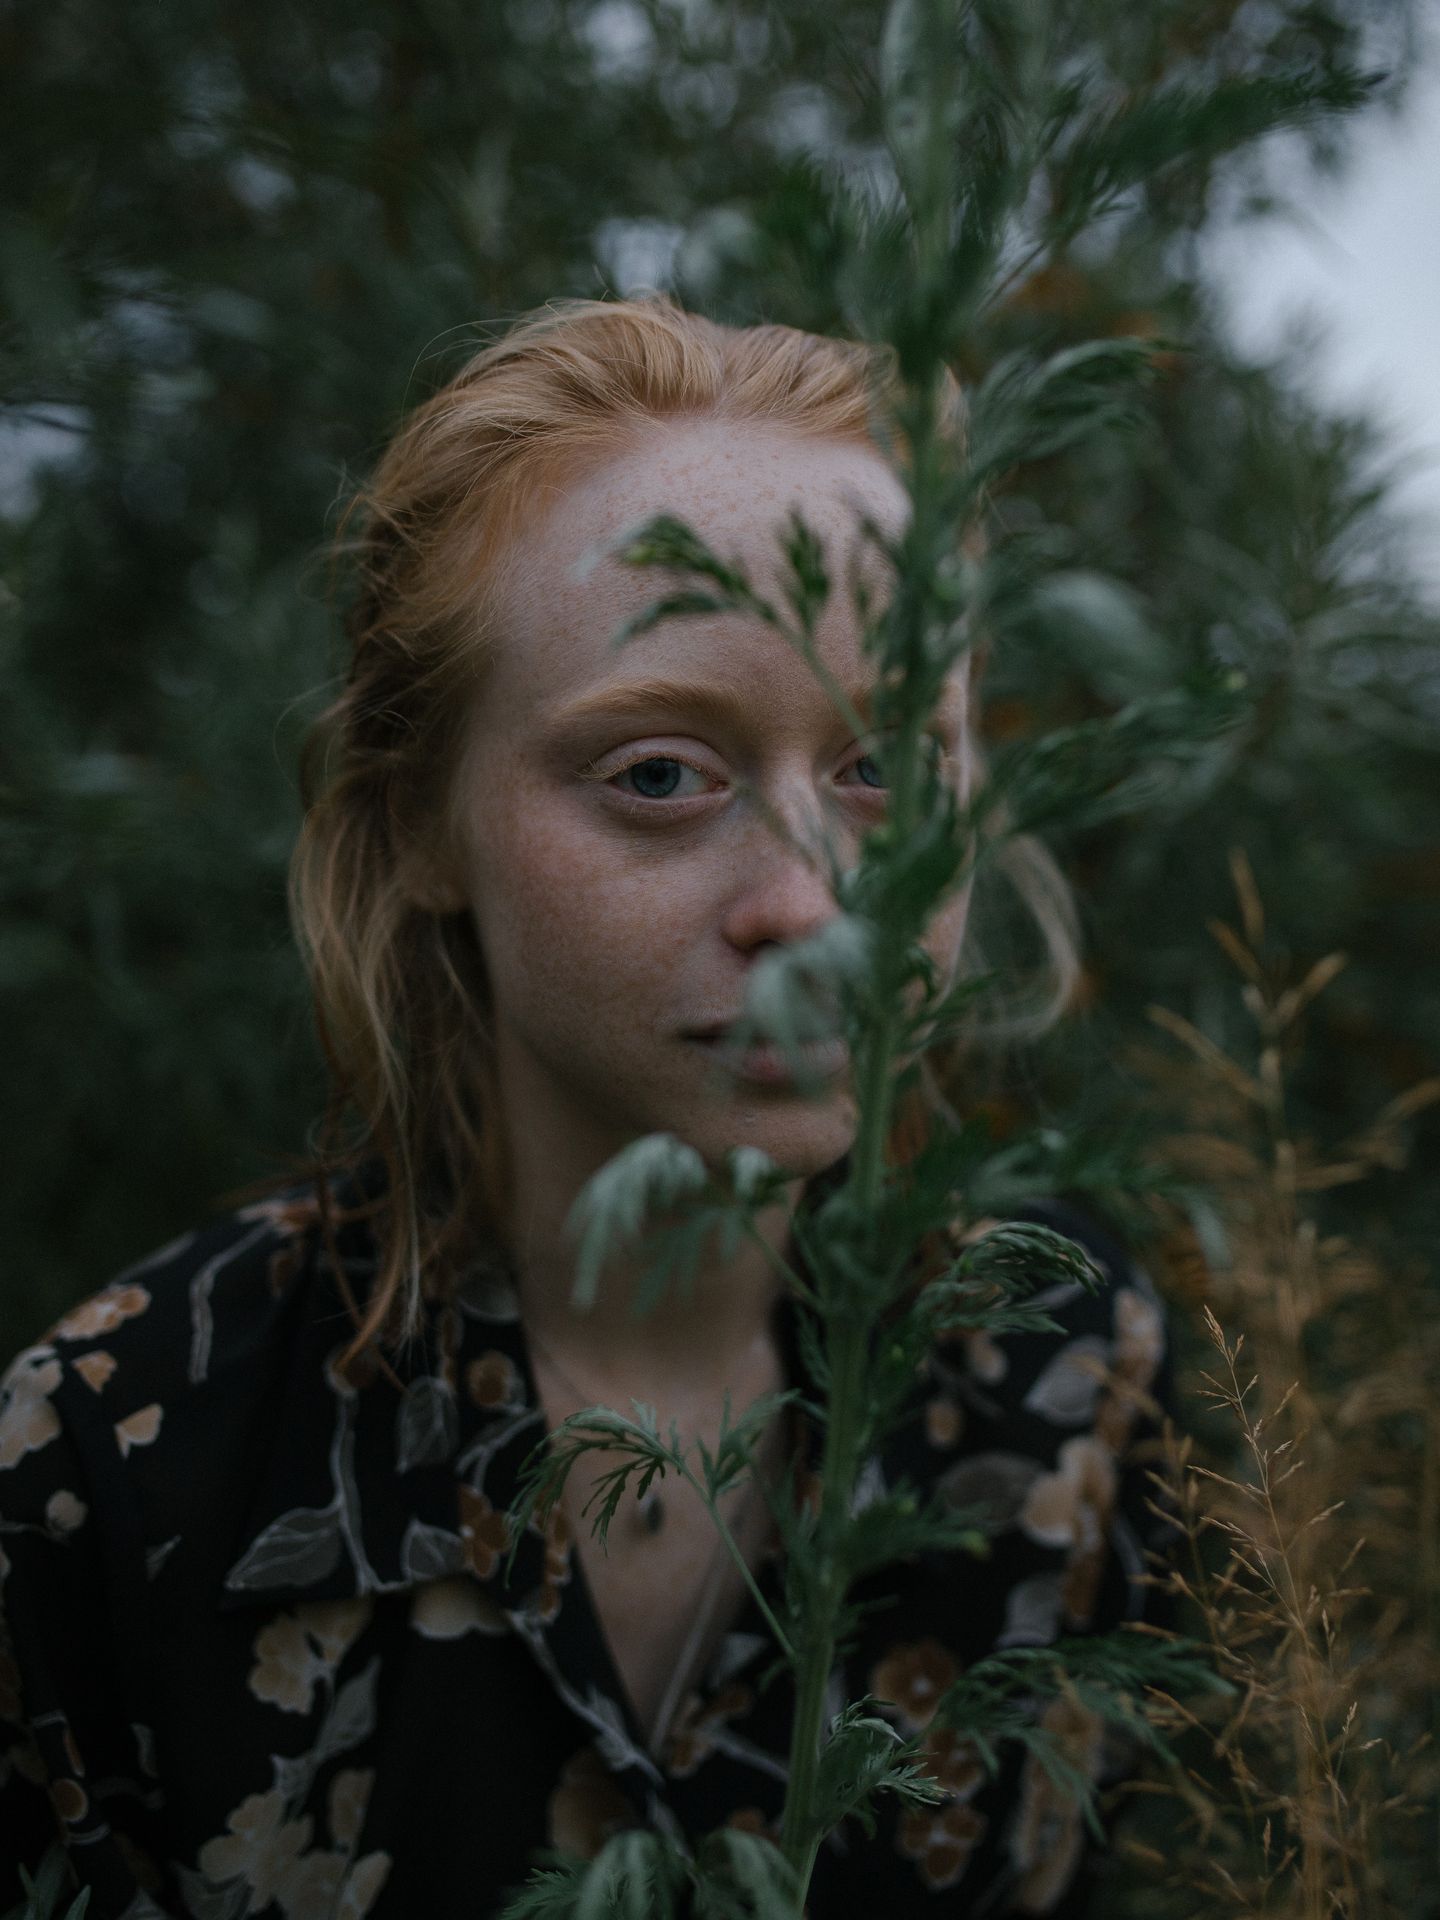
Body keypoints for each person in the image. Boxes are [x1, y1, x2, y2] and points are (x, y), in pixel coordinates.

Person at [0, 295, 1170, 1919]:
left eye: (886, 767)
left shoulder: (1068, 1364)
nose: (813, 906)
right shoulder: (106, 1477)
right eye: (661, 775)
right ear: (418, 821)